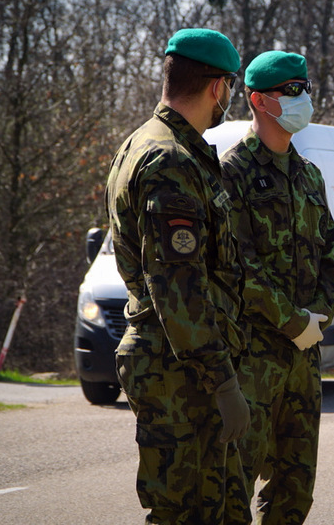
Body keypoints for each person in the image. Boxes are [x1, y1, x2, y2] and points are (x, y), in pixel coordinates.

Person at [106, 28, 252, 523]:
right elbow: (179, 292)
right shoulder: (170, 159)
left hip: (180, 364)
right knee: (190, 513)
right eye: (229, 87)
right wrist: (222, 383)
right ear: (217, 87)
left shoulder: (140, 144)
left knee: (223, 509)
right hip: (181, 373)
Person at [220, 50, 334, 525]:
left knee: (295, 488)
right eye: (291, 91)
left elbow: (331, 256)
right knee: (236, 488)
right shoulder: (232, 172)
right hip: (253, 357)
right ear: (257, 100)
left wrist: (318, 319)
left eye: (305, 89)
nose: (303, 98)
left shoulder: (310, 176)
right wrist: (292, 321)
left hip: (303, 359)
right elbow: (237, 263)